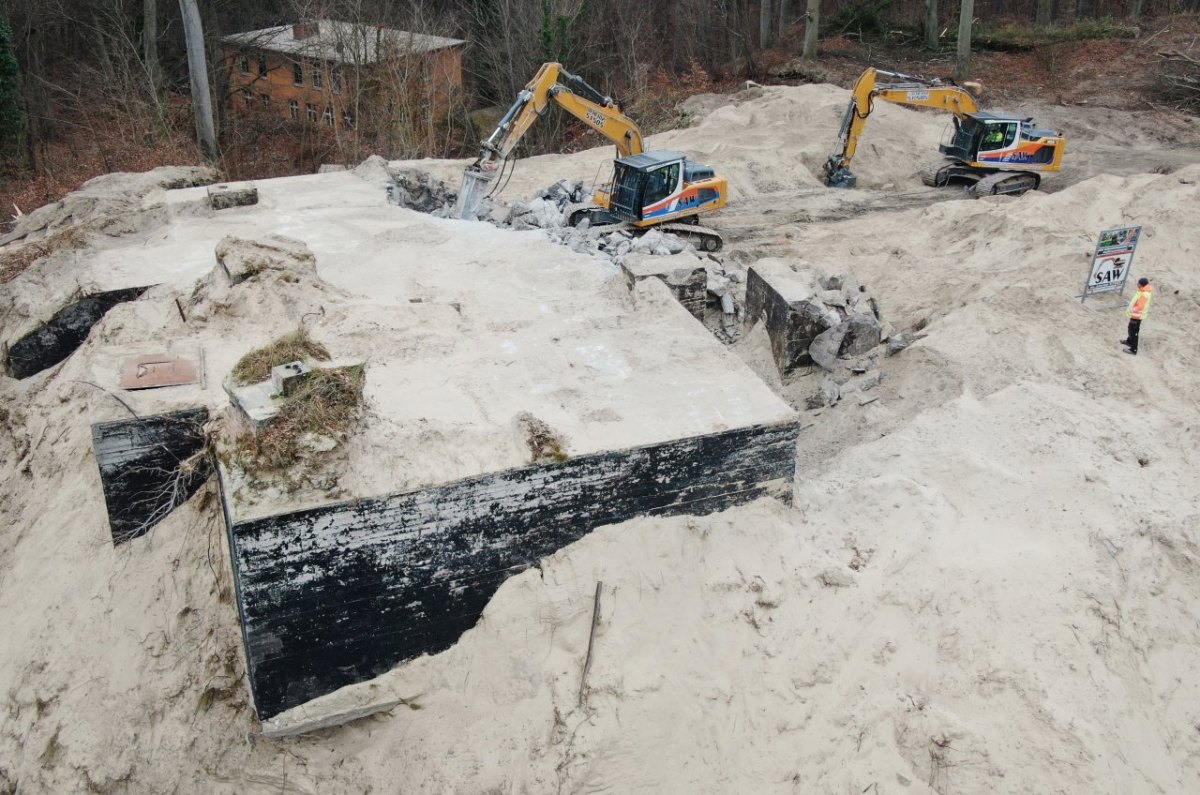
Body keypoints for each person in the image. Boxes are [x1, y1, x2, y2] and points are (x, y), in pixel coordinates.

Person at [1121, 277, 1153, 355]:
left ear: (1141, 284)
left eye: (1138, 283)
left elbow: (1140, 307)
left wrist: (1132, 309)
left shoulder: (1144, 293)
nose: (1137, 284)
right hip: (1136, 315)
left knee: (1133, 332)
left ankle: (1134, 349)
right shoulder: (1142, 290)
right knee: (1130, 329)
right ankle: (1129, 342)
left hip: (1137, 315)